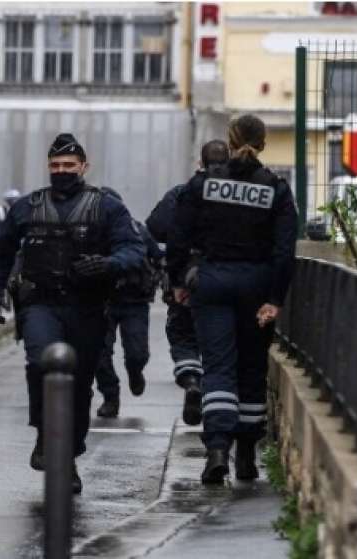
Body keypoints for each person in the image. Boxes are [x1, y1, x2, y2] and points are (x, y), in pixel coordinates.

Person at [0, 133, 145, 494]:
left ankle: (69, 454)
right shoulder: (27, 206)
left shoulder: (106, 208)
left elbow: (134, 251)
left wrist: (106, 264)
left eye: (68, 166)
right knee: (42, 365)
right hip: (40, 304)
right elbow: (0, 254)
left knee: (79, 385)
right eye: (55, 166)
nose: (61, 172)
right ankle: (44, 434)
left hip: (87, 308)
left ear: (84, 167)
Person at [167, 115, 297, 484]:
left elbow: (178, 235)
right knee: (251, 368)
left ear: (229, 139)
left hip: (212, 282)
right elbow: (284, 251)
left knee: (219, 366)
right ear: (264, 143)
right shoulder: (276, 188)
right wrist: (275, 298)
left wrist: (178, 280)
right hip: (256, 284)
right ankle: (246, 458)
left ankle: (217, 451)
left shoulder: (204, 183)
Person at [146, 139, 230, 426]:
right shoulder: (238, 192)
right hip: (229, 276)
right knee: (221, 341)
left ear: (200, 164)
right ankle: (217, 411)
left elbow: (156, 227)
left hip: (188, 278)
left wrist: (176, 275)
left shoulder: (182, 192)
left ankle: (192, 380)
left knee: (182, 333)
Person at [95, 214, 163, 418]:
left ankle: (135, 372)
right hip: (102, 302)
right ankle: (110, 397)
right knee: (99, 354)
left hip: (134, 301)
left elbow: (158, 257)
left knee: (137, 353)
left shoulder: (138, 231)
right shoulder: (93, 232)